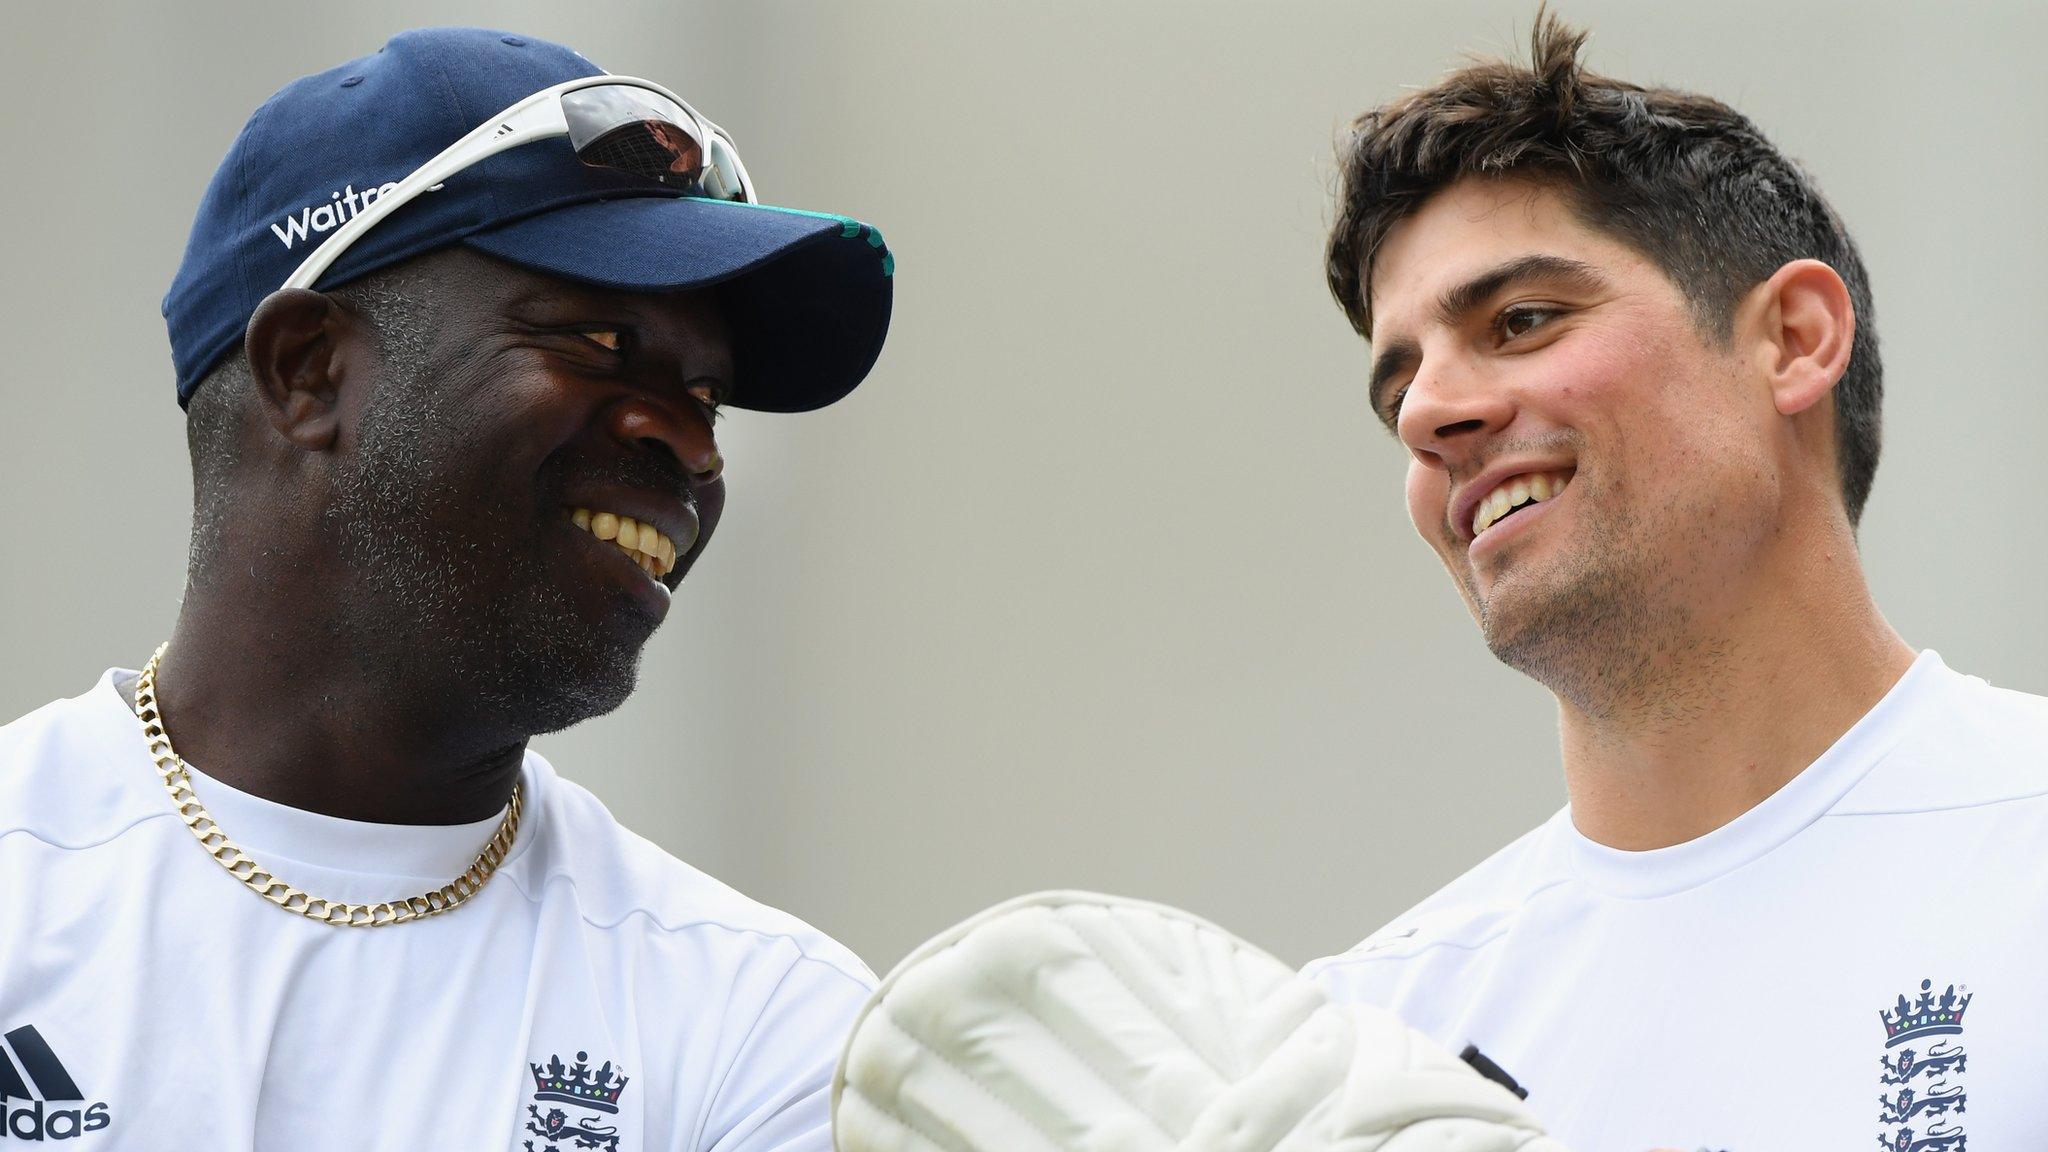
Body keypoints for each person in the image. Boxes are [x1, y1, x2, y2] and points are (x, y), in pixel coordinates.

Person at [0, 27, 891, 1150]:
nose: (693, 448)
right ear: (308, 371)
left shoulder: (763, 1026)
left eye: (706, 396)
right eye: (603, 341)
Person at [1299, 11, 2048, 1150]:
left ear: (1792, 340)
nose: (1426, 416)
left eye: (1519, 321)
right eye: (1395, 389)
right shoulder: (1363, 1054)